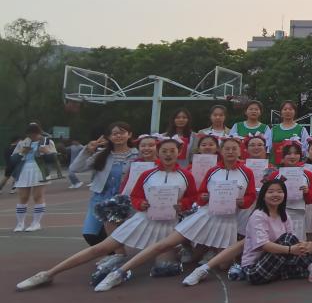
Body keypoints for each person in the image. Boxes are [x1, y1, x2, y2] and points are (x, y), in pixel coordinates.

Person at [17, 138, 197, 292]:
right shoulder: (147, 174)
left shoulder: (186, 176)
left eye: (172, 151)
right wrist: (140, 204)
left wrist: (182, 204)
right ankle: (48, 274)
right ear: (159, 152)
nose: (168, 154)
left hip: (168, 225)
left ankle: (122, 272)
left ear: (178, 152)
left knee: (164, 266)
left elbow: (192, 197)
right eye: (164, 151)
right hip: (143, 220)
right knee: (100, 248)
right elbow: (135, 196)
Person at [95, 137, 258, 291]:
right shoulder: (212, 171)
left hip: (228, 220)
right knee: (163, 245)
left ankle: (202, 262)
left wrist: (242, 201)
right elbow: (200, 196)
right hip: (204, 216)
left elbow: (250, 196)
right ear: (221, 151)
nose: (230, 151)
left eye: (234, 148)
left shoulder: (247, 172)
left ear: (240, 151)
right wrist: (204, 198)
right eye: (227, 148)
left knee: (224, 265)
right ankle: (119, 273)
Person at [238, 179, 312, 285]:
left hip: (277, 262)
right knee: (288, 239)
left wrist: (303, 245)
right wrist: (290, 250)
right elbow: (264, 245)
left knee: (310, 261)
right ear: (263, 196)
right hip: (254, 270)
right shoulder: (258, 216)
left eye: (280, 191)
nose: (275, 194)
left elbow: (294, 241)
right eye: (271, 192)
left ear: (285, 195)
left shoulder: (284, 214)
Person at [70, 122, 140, 245]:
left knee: (118, 234)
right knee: (90, 234)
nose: (118, 136)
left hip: (124, 201)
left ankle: (116, 253)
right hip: (100, 199)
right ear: (109, 137)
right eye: (114, 133)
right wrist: (87, 151)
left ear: (129, 135)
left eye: (122, 133)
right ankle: (111, 253)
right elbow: (75, 168)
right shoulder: (101, 155)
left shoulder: (137, 155)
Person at [11, 123, 57, 233]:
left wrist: (46, 152)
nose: (32, 136)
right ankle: (20, 223)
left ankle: (36, 223)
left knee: (37, 196)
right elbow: (12, 159)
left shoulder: (47, 141)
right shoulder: (23, 143)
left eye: (34, 134)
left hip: (40, 169)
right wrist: (22, 152)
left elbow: (55, 158)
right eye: (30, 134)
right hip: (24, 170)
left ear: (39, 133)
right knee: (23, 197)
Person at [269, 100, 304, 165]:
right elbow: (268, 148)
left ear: (295, 112)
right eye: (285, 109)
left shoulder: (301, 129)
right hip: (275, 166)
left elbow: (305, 149)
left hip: (294, 167)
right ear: (281, 112)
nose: (288, 111)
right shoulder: (273, 130)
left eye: (290, 109)